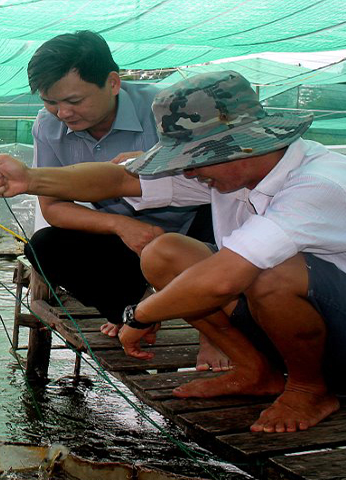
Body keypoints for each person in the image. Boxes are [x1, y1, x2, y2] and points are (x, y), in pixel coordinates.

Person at [0, 70, 346, 433]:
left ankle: (310, 389)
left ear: (242, 146)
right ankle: (257, 372)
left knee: (271, 271)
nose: (191, 173)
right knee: (164, 251)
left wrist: (140, 316)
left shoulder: (323, 184)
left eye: (195, 159)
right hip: (293, 323)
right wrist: (30, 179)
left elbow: (225, 279)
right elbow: (119, 181)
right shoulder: (232, 167)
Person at [22, 31, 223, 370]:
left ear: (113, 83)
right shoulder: (47, 126)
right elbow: (53, 208)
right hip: (128, 240)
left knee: (220, 208)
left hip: (193, 231)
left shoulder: (169, 110)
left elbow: (218, 178)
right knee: (44, 246)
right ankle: (136, 309)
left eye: (73, 100)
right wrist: (120, 224)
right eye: (50, 102)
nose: (62, 113)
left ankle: (215, 335)